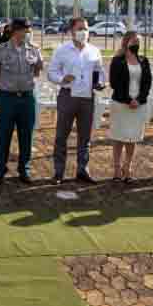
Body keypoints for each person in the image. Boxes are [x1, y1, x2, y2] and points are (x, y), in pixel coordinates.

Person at [48, 17, 105, 184]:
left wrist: (100, 83)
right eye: (80, 29)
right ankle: (59, 172)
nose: (84, 32)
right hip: (68, 95)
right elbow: (51, 72)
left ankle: (82, 170)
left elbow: (100, 72)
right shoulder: (62, 50)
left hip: (87, 97)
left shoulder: (94, 51)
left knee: (85, 137)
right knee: (61, 136)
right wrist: (62, 79)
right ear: (71, 31)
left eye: (86, 28)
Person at [0, 18, 43, 184]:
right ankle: (1, 169)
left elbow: (38, 71)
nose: (29, 34)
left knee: (26, 135)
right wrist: (7, 85)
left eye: (29, 31)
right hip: (8, 98)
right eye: (26, 31)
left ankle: (24, 169)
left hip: (27, 98)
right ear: (16, 31)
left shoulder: (34, 49)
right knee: (3, 134)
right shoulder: (1, 50)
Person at [108, 31, 152, 182]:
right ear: (126, 42)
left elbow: (147, 83)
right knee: (119, 137)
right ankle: (116, 169)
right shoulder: (117, 61)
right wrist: (128, 100)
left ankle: (127, 167)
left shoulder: (144, 60)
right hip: (121, 104)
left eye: (138, 42)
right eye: (134, 41)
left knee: (132, 138)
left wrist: (139, 100)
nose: (136, 44)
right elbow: (114, 83)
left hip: (138, 105)